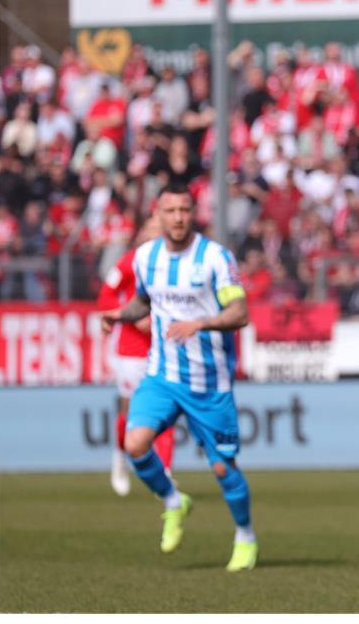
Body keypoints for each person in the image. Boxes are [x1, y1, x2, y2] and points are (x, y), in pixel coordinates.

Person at [100, 184, 256, 571]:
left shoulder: (216, 258)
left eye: (184, 209)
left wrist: (200, 323)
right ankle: (174, 502)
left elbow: (240, 313)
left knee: (223, 468)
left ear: (193, 213)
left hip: (210, 382)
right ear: (158, 214)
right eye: (170, 211)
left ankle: (245, 535)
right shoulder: (145, 257)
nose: (178, 217)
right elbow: (144, 300)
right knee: (135, 443)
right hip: (161, 374)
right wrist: (120, 314)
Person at [97, 216, 176, 496]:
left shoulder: (174, 263)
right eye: (152, 229)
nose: (157, 234)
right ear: (143, 232)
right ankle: (120, 458)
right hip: (132, 350)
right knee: (130, 412)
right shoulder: (130, 261)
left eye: (160, 229)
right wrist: (131, 319)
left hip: (165, 349)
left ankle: (164, 474)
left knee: (167, 412)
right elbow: (107, 295)